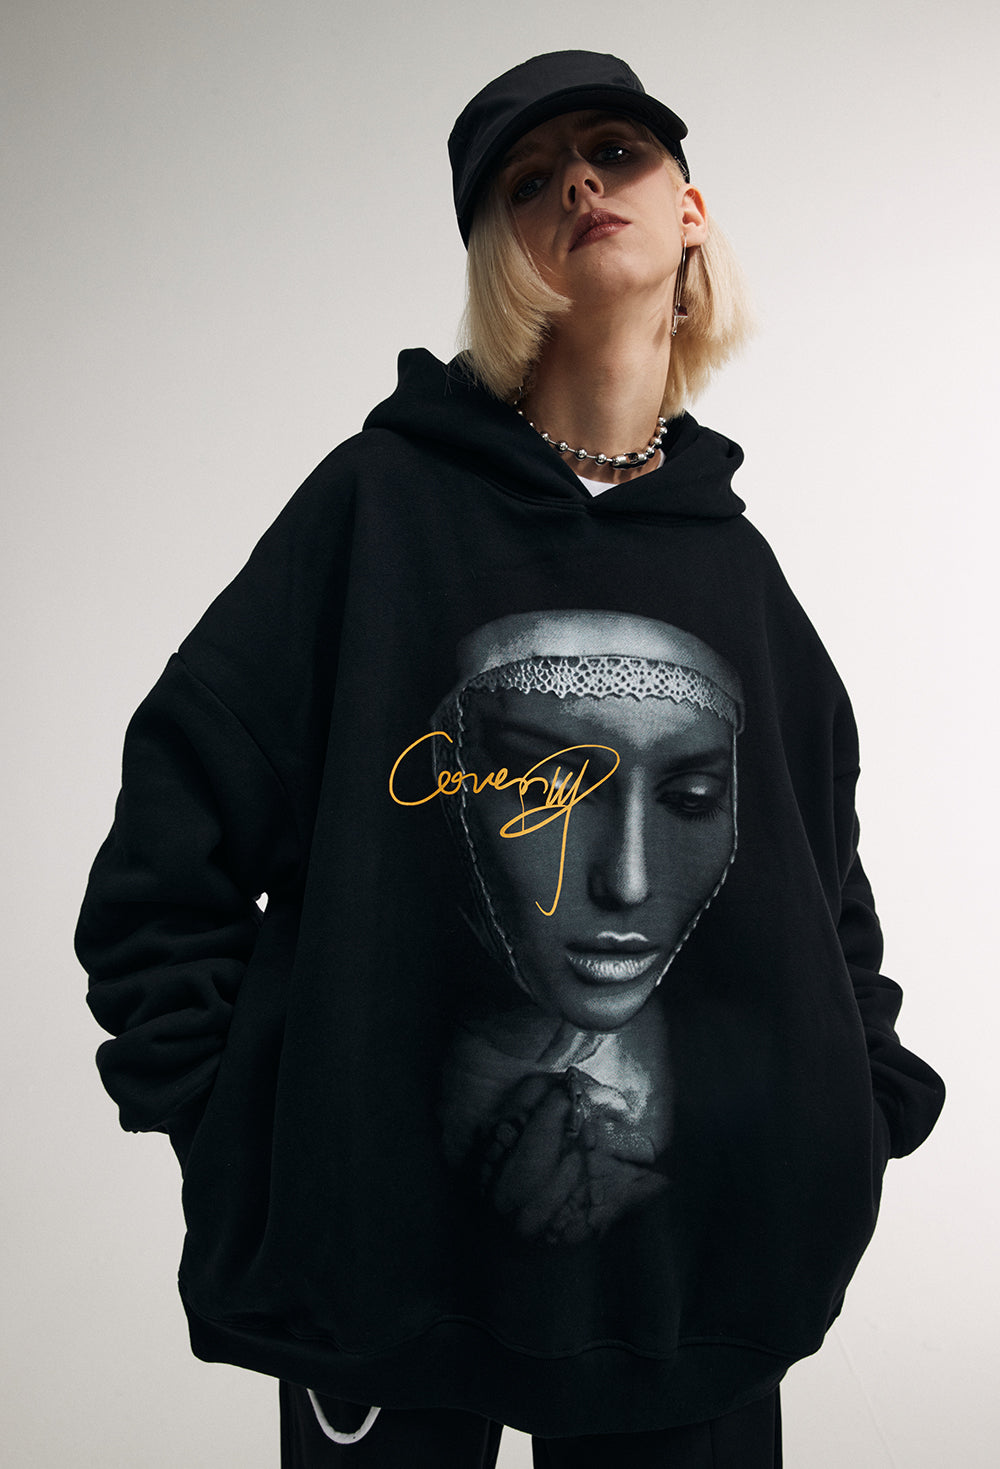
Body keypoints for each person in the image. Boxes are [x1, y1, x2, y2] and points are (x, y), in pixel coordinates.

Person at [76, 50, 945, 1468]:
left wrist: (861, 1100)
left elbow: (821, 883)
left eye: (617, 152)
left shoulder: (736, 571)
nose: (581, 185)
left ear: (691, 208)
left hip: (697, 1303)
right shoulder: (379, 509)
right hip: (381, 1298)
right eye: (529, 182)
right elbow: (173, 832)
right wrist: (242, 1124)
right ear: (499, 256)